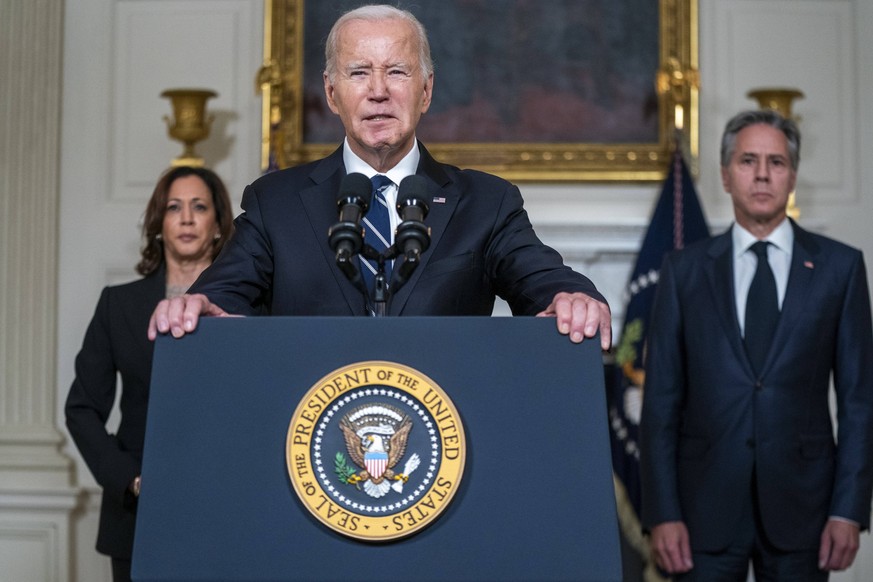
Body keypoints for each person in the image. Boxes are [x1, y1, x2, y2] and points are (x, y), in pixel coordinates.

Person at [147, 5, 611, 348]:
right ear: (332, 93)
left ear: (426, 91)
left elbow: (547, 281)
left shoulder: (486, 202)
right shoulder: (276, 202)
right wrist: (202, 305)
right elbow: (222, 293)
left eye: (396, 72)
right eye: (358, 73)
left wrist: (575, 298)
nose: (378, 92)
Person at [640, 109, 873, 580]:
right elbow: (660, 402)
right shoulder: (683, 271)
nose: (762, 174)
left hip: (804, 510)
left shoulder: (840, 269)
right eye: (748, 161)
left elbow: (859, 402)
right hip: (700, 511)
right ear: (726, 176)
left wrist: (848, 511)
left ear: (792, 176)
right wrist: (662, 513)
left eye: (776, 162)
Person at [65, 166, 234, 582]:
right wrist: (131, 480)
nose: (188, 218)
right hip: (139, 512)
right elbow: (81, 409)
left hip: (230, 504)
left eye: (200, 207)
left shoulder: (249, 307)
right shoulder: (117, 305)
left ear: (217, 225)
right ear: (159, 224)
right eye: (174, 208)